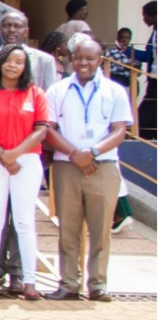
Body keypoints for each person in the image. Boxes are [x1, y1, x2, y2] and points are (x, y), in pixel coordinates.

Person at [43, 38, 133, 301]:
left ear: (100, 61)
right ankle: (69, 283)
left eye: (90, 59)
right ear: (71, 58)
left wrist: (91, 153)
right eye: (79, 57)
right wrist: (74, 154)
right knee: (68, 228)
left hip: (103, 167)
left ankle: (98, 285)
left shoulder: (115, 91)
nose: (83, 63)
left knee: (101, 228)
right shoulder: (57, 90)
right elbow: (47, 129)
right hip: (66, 166)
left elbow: (120, 130)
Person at [0, 44, 48, 300]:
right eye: (9, 60)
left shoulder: (35, 93)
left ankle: (30, 282)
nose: (13, 65)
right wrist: (4, 156)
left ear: (25, 67)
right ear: (0, 62)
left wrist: (14, 155)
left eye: (19, 62)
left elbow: (42, 129)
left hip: (26, 161)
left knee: (25, 222)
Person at [0, 12, 58, 91]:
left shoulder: (45, 60)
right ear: (0, 30)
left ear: (26, 32)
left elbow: (50, 93)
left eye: (17, 26)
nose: (11, 30)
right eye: (7, 25)